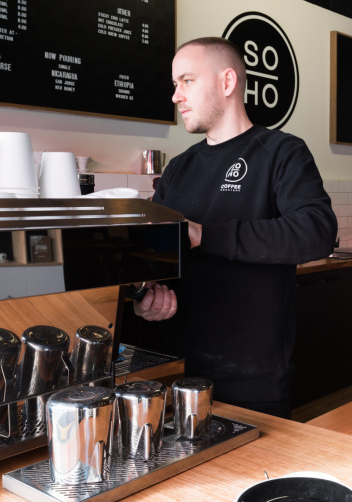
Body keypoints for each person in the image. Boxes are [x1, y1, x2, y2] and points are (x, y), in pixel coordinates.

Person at [134, 36, 337, 418]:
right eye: (175, 84)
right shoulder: (179, 168)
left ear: (227, 82)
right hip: (174, 374)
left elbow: (317, 230)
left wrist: (205, 235)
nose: (176, 96)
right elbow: (154, 255)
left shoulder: (281, 152)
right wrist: (146, 296)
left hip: (252, 381)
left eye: (187, 81)